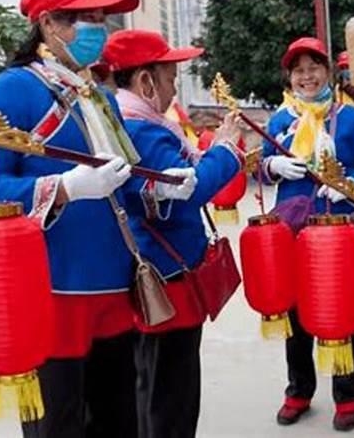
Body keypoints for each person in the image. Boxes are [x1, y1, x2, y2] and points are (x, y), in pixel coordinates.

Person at [0, 0, 163, 437]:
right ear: (49, 23)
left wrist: (160, 185)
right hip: (52, 291)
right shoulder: (12, 89)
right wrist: (65, 188)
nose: (100, 29)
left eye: (101, 18)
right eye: (87, 18)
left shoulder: (99, 96)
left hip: (113, 286)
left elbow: (121, 179)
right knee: (59, 425)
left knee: (120, 420)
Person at [102, 29, 243, 438]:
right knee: (170, 393)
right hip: (168, 277)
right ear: (145, 81)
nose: (173, 88)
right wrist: (227, 150)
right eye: (169, 79)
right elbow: (190, 189)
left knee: (154, 385)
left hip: (157, 272)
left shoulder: (133, 123)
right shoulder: (143, 130)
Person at [262, 36, 354, 432]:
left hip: (338, 234)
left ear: (328, 72)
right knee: (296, 310)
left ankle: (349, 395)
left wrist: (349, 185)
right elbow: (256, 170)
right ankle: (299, 390)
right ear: (290, 77)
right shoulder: (282, 120)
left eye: (313, 68)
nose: (306, 77)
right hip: (293, 233)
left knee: (344, 309)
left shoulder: (349, 119)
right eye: (298, 70)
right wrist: (271, 166)